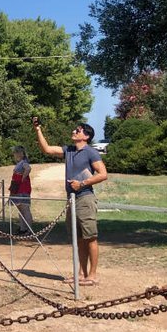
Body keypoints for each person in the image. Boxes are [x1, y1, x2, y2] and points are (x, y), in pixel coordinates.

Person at [33, 117, 107, 285]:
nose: (74, 131)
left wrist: (82, 183)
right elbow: (47, 150)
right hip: (71, 200)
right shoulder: (69, 150)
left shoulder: (91, 152)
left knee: (90, 238)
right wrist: (38, 130)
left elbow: (103, 174)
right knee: (78, 239)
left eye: (78, 130)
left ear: (86, 136)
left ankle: (92, 276)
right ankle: (81, 274)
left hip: (85, 198)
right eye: (75, 129)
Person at [8, 145, 33, 234]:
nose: (14, 154)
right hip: (17, 188)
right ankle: (23, 228)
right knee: (20, 209)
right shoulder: (20, 163)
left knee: (25, 209)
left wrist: (23, 178)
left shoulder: (23, 162)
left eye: (16, 152)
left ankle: (29, 230)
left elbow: (28, 168)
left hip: (22, 188)